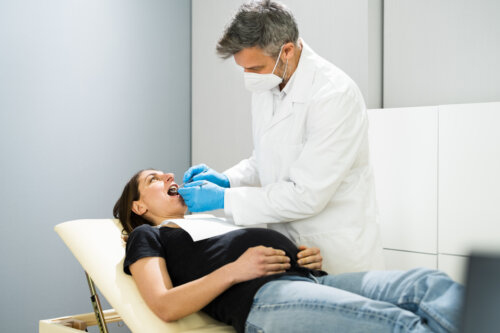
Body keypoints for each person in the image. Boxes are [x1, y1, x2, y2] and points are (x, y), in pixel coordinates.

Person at [113, 169, 464, 333]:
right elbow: (164, 305)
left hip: (309, 281)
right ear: (139, 207)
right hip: (263, 300)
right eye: (153, 179)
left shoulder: (210, 219)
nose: (168, 174)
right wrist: (237, 268)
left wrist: (301, 258)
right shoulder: (149, 234)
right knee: (397, 325)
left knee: (427, 284)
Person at [178, 0, 383, 274]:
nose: (248, 77)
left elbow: (306, 194)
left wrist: (225, 199)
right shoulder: (269, 83)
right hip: (288, 249)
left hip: (335, 250)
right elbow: (266, 157)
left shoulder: (334, 95)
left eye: (254, 68)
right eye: (243, 69)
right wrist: (229, 178)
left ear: (286, 51)